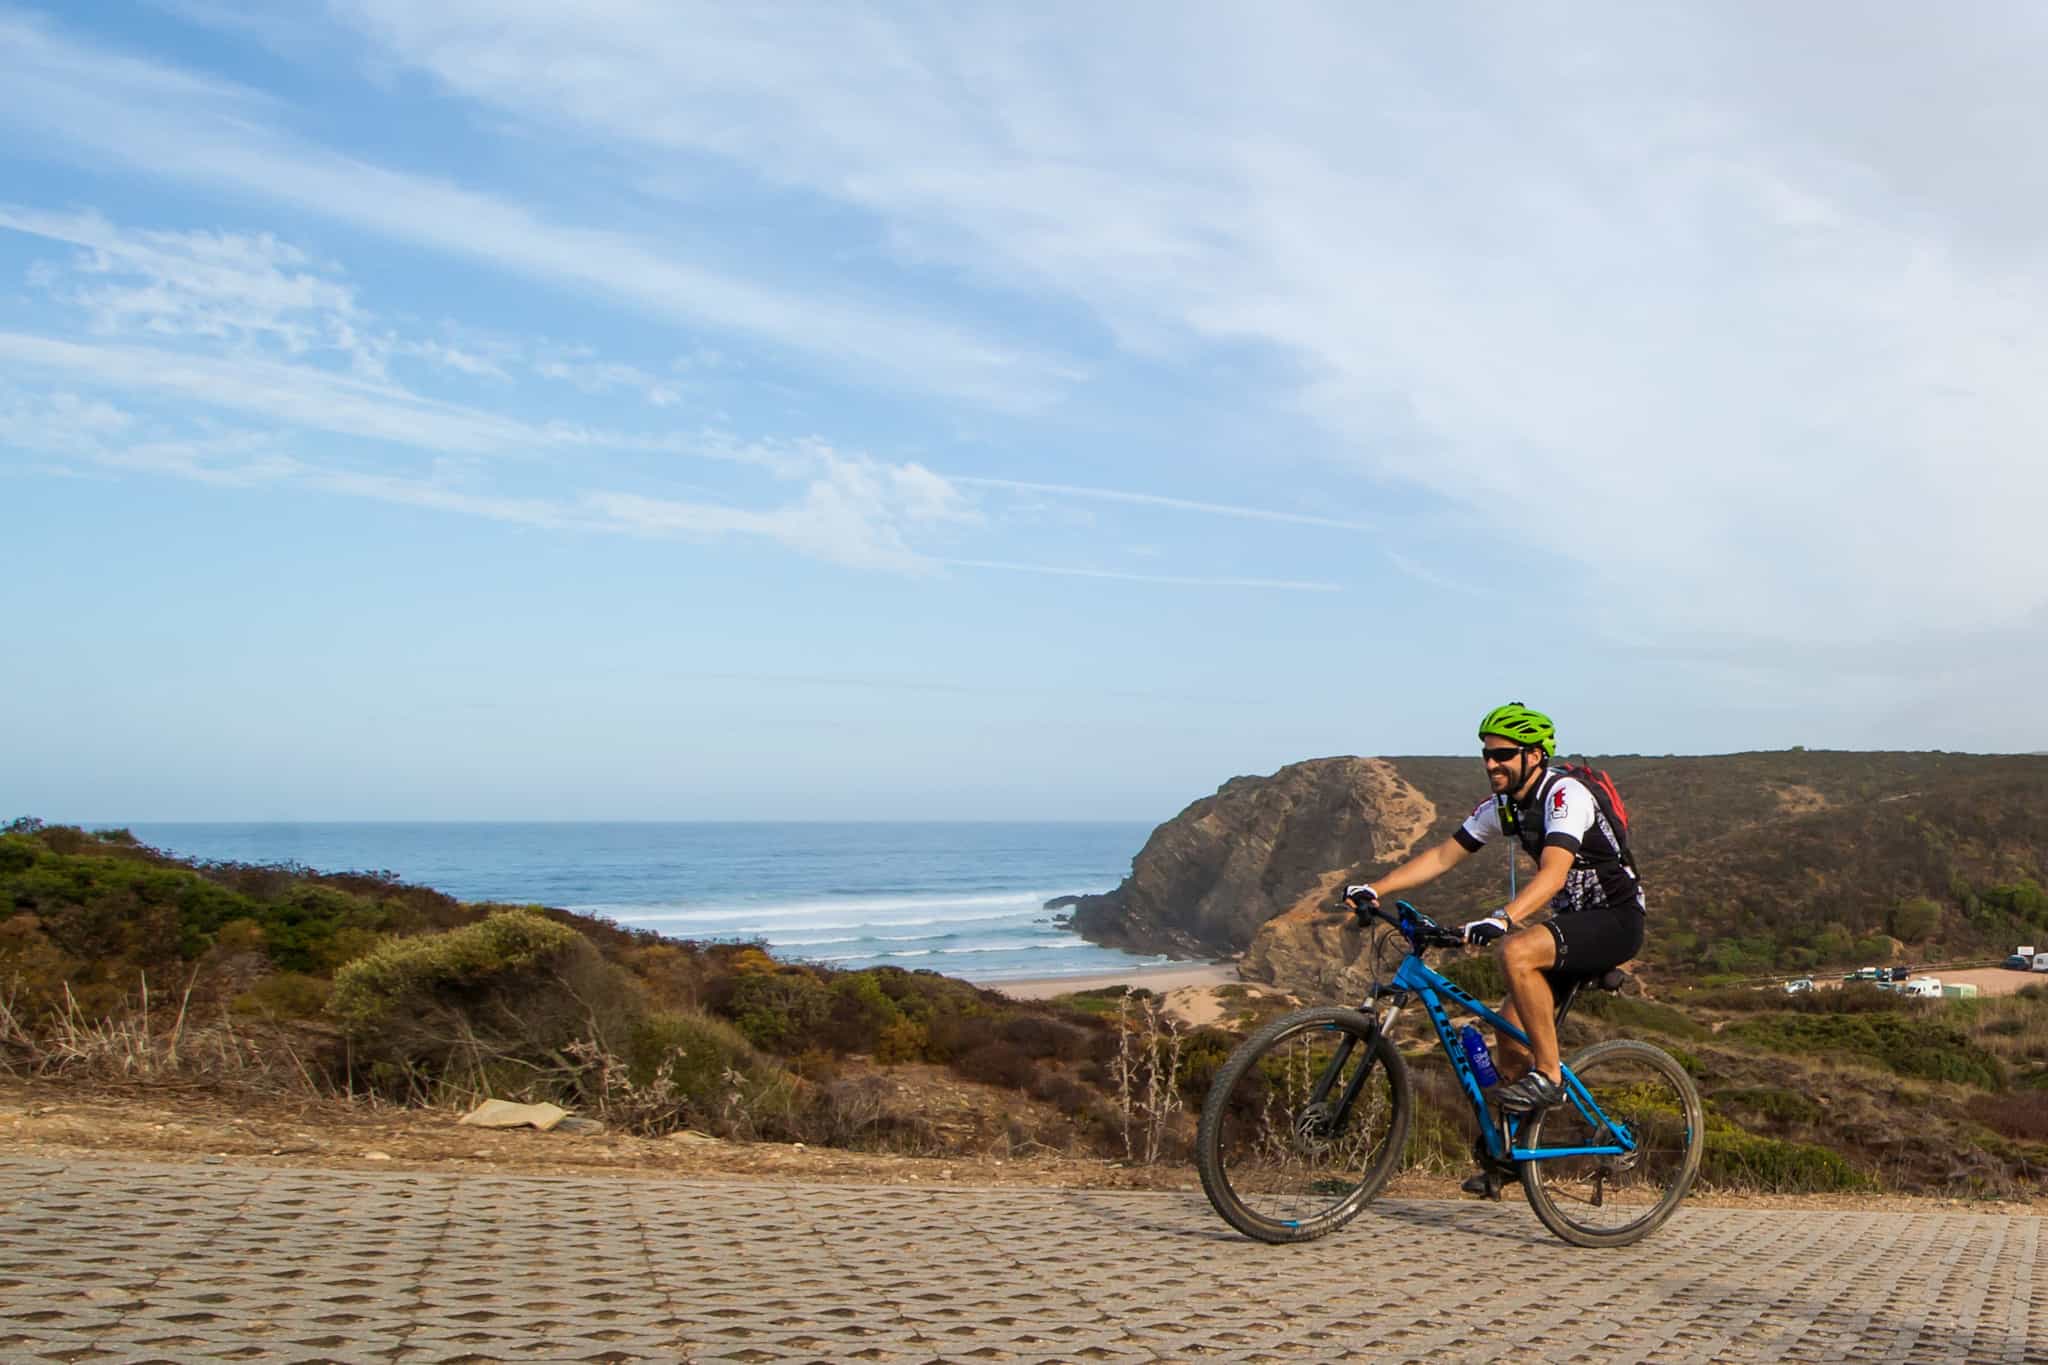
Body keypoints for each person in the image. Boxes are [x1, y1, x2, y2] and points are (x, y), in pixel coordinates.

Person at [1341, 702, 1644, 1195]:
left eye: (1502, 755)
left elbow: (1553, 872)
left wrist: (1504, 917)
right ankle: (1510, 1159)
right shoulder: (1504, 806)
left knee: (1515, 952)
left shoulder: (1564, 795)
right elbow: (1444, 854)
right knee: (1507, 1037)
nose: (1491, 764)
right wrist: (1377, 888)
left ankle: (1549, 1073)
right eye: (1486, 755)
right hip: (1572, 925)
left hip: (1615, 920)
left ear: (1534, 755)